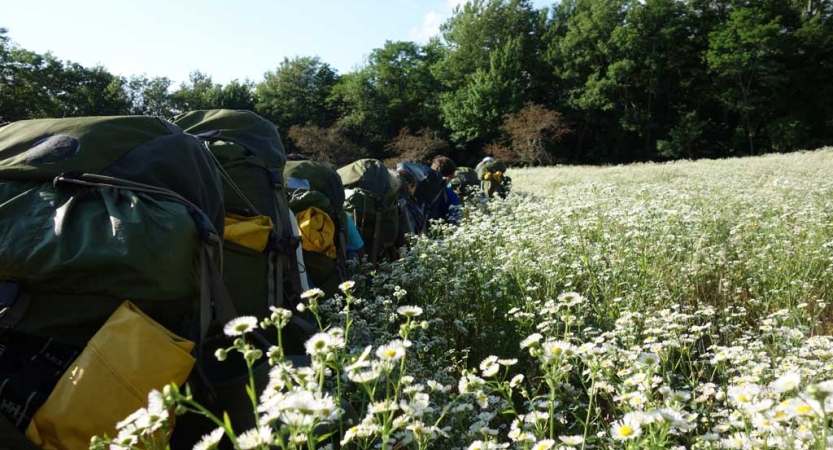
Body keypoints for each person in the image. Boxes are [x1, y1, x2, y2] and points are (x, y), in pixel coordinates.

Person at [428, 156, 462, 224]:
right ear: (449, 176)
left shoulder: (417, 188)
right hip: (438, 230)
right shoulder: (450, 194)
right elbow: (458, 217)